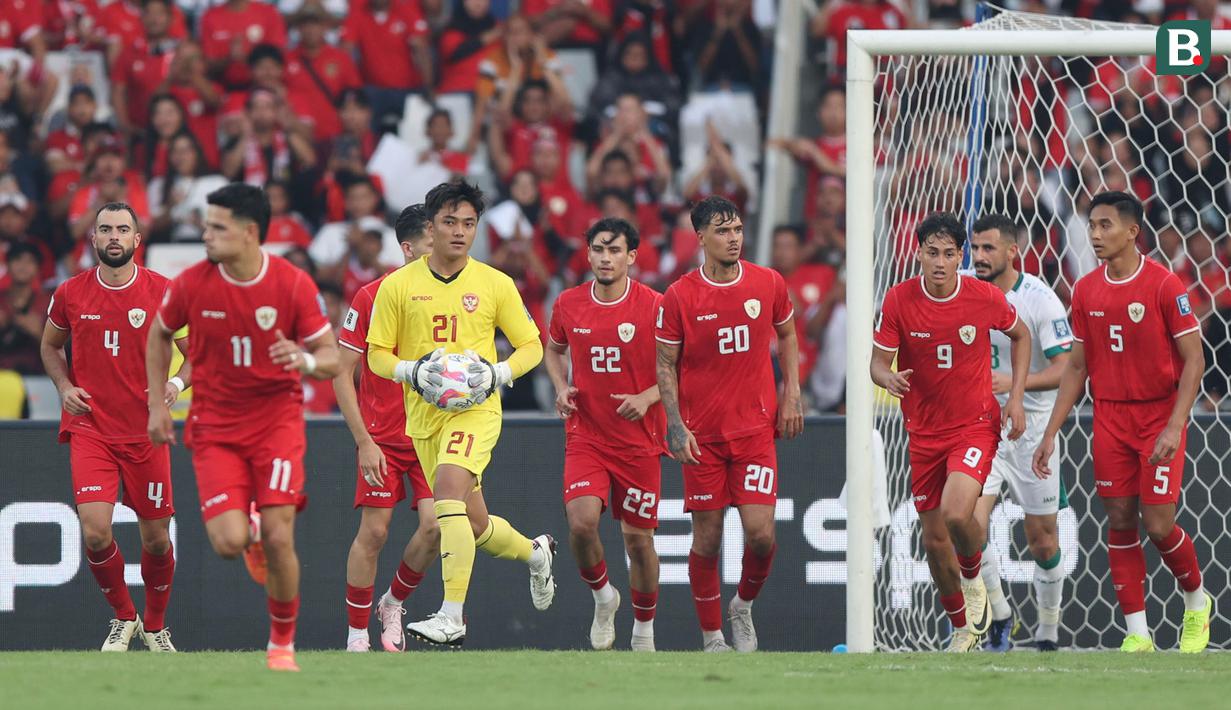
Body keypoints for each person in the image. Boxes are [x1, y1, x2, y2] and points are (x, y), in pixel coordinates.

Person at [147, 183, 341, 672]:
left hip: (276, 422)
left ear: (250, 232)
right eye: (206, 225)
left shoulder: (292, 283)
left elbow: (331, 359)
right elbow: (159, 335)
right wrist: (156, 405)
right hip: (213, 426)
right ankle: (248, 530)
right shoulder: (191, 283)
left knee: (281, 537)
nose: (205, 235)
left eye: (217, 227)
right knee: (229, 543)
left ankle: (281, 644)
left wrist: (300, 358)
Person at [366, 180, 555, 647]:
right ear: (431, 227)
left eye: (468, 223)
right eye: (450, 222)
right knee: (471, 523)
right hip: (423, 417)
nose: (459, 232)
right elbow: (376, 356)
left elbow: (533, 345)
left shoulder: (494, 283)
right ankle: (535, 554)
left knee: (446, 490)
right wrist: (411, 370)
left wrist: (497, 374)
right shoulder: (397, 286)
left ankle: (452, 616)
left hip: (477, 410)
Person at [1033, 191, 1212, 654]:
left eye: (1106, 225)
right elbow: (1076, 367)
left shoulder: (1164, 286)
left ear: (1133, 232)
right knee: (1119, 519)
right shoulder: (1086, 289)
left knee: (1158, 525)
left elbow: (1194, 360)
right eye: (1092, 225)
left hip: (1158, 415)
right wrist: (1051, 431)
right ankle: (1137, 634)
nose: (1095, 234)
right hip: (1110, 415)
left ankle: (1196, 601)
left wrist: (1175, 425)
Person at [870, 211, 1031, 652]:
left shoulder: (981, 296)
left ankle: (974, 577)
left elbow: (1021, 336)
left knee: (958, 514)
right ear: (917, 252)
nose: (940, 262)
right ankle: (963, 626)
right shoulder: (899, 300)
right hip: (923, 432)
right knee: (934, 540)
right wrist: (887, 378)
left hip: (975, 425)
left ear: (960, 257)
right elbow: (877, 363)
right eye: (932, 252)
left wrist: (1014, 398)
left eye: (949, 254)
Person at [654, 196, 804, 652]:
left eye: (737, 228)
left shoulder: (768, 282)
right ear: (700, 237)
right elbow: (664, 365)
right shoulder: (679, 295)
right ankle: (712, 635)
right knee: (708, 537)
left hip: (756, 432)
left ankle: (743, 605)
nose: (733, 237)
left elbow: (788, 333)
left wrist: (791, 394)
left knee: (761, 536)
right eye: (722, 231)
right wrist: (675, 425)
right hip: (703, 438)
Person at [40, 203, 189, 653]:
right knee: (95, 531)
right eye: (105, 229)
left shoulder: (164, 292)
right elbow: (50, 347)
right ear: (94, 239)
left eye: (123, 229)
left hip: (147, 431)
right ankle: (124, 617)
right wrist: (64, 385)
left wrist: (177, 383)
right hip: (91, 429)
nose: (114, 237)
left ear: (137, 240)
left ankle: (156, 626)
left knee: (156, 539)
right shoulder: (70, 293)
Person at [545, 217, 664, 651]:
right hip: (587, 435)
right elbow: (553, 350)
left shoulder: (654, 306)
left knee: (638, 541)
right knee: (580, 525)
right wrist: (561, 387)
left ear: (632, 256)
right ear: (588, 253)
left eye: (615, 251)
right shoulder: (569, 303)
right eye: (599, 249)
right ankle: (603, 597)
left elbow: (681, 368)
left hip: (639, 441)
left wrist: (648, 397)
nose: (606, 258)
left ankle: (645, 630)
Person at [969, 214, 1072, 652]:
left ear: (1014, 251)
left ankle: (1047, 632)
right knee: (966, 526)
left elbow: (1065, 369)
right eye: (974, 248)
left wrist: (1014, 385)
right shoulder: (965, 294)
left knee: (1041, 539)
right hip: (980, 429)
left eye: (988, 248)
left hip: (1030, 432)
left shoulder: (1040, 300)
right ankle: (1000, 615)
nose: (978, 257)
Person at [338, 205, 437, 653]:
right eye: (433, 243)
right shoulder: (371, 297)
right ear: (409, 247)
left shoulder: (454, 296)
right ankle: (357, 634)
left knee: (437, 529)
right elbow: (341, 372)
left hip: (433, 436)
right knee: (374, 533)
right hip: (382, 437)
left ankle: (393, 601)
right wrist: (364, 442)